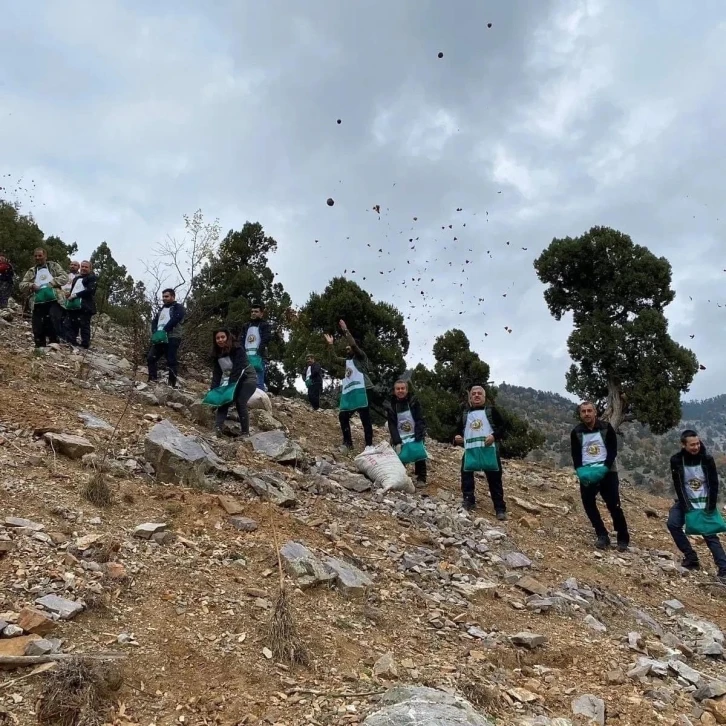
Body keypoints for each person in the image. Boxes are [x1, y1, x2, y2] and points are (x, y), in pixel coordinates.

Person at [668, 430, 726, 583]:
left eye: (697, 443)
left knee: (709, 534)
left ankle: (724, 569)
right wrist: (687, 507)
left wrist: (710, 506)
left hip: (704, 501)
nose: (696, 447)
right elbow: (678, 485)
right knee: (673, 524)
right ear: (683, 445)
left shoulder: (707, 459)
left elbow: (714, 483)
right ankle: (691, 556)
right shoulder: (676, 460)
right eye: (692, 444)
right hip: (686, 501)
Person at [570, 401, 630, 551]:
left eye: (589, 411)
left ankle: (623, 537)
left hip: (608, 472)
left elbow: (612, 450)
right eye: (583, 411)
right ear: (580, 414)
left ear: (595, 412)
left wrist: (605, 468)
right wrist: (580, 471)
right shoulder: (576, 432)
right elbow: (576, 454)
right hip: (588, 472)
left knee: (614, 505)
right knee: (588, 503)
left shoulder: (606, 428)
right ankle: (602, 535)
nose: (587, 414)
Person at [453, 384, 507, 518]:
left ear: (484, 397)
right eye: (474, 394)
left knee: (495, 479)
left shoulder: (492, 411)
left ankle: (500, 508)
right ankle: (468, 500)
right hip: (471, 450)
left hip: (489, 451)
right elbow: (457, 432)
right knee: (466, 475)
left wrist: (494, 436)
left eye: (479, 393)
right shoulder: (465, 414)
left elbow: (503, 428)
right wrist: (456, 438)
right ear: (470, 397)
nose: (476, 395)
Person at [324, 319, 374, 451]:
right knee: (343, 415)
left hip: (364, 390)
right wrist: (330, 345)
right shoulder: (347, 361)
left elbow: (353, 344)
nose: (347, 348)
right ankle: (348, 443)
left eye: (349, 347)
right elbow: (334, 359)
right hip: (351, 392)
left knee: (365, 418)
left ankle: (369, 445)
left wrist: (345, 330)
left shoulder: (361, 357)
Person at [209, 329, 258, 438]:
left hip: (247, 378)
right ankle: (217, 428)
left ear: (228, 337)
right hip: (233, 379)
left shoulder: (237, 349)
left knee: (240, 401)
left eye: (223, 337)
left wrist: (229, 388)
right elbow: (217, 374)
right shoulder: (217, 355)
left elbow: (237, 370)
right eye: (217, 338)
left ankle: (245, 433)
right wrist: (213, 392)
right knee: (224, 400)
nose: (220, 340)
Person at [19, 248, 69, 349]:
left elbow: (64, 277)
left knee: (53, 319)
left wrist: (51, 283)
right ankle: (39, 347)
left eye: (40, 256)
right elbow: (21, 285)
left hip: (55, 299)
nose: (38, 258)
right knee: (37, 324)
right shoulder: (32, 271)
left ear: (45, 256)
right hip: (37, 301)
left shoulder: (53, 266)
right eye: (36, 256)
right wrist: (31, 285)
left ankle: (54, 344)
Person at [386, 379, 427, 488]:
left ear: (407, 390)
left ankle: (421, 478)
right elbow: (392, 425)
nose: (400, 391)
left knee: (420, 457)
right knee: (400, 458)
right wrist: (397, 441)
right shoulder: (391, 406)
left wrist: (419, 435)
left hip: (415, 434)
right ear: (394, 391)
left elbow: (419, 419)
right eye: (398, 389)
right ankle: (402, 478)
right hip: (400, 436)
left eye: (402, 388)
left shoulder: (413, 402)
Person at [147, 288, 185, 388]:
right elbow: (154, 321)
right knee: (151, 357)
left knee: (171, 361)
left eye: (166, 296)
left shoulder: (178, 307)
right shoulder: (161, 309)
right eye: (163, 296)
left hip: (172, 337)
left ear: (173, 296)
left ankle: (171, 384)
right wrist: (155, 331)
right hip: (159, 338)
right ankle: (152, 379)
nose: (164, 298)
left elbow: (176, 318)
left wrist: (165, 330)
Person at [64, 260, 97, 349]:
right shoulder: (76, 278)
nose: (83, 268)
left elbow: (90, 290)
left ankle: (85, 345)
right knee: (70, 323)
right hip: (73, 305)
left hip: (85, 306)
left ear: (90, 268)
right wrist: (70, 295)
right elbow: (73, 290)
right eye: (82, 266)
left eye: (86, 267)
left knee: (84, 326)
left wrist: (76, 295)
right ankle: (71, 341)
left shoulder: (92, 278)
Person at [240, 303, 272, 391]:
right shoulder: (246, 326)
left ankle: (259, 402)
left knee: (258, 382)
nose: (253, 313)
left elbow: (266, 338)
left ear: (261, 314)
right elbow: (241, 340)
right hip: (246, 357)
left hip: (259, 357)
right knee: (244, 380)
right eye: (252, 311)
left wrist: (259, 352)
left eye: (256, 311)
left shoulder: (265, 325)